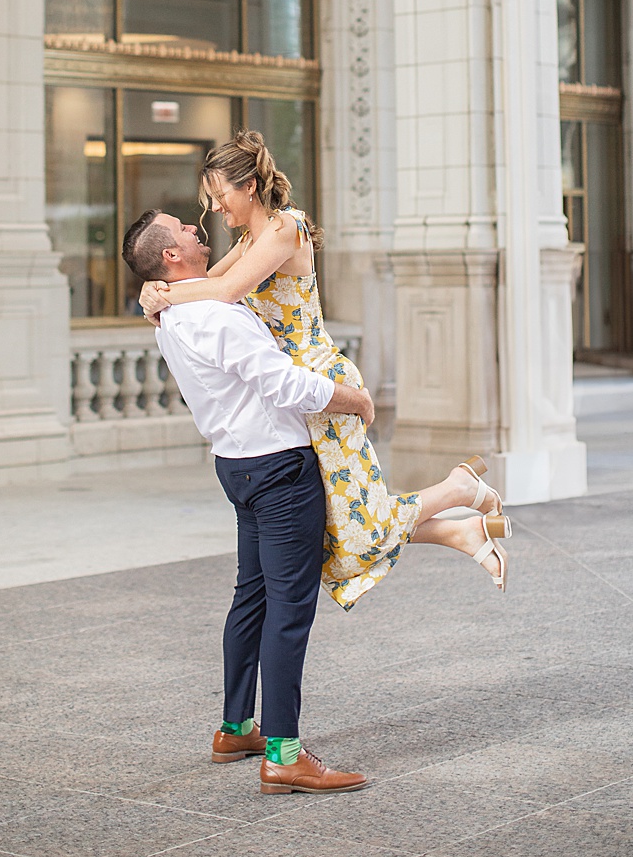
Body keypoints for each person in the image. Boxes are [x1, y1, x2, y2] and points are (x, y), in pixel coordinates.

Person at [137, 133, 511, 603]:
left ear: (249, 185)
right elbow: (206, 284)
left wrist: (159, 294)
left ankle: (457, 490)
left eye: (218, 194)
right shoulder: (252, 237)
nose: (213, 208)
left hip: (318, 381)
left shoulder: (284, 229)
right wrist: (155, 292)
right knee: (338, 530)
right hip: (294, 392)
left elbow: (226, 290)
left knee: (358, 529)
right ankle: (463, 530)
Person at [124, 207, 378, 794]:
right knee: (290, 609)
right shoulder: (212, 315)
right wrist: (354, 400)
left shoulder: (170, 313)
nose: (195, 226)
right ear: (170, 256)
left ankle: (237, 726)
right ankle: (285, 753)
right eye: (184, 228)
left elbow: (241, 260)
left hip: (235, 465)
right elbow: (284, 383)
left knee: (253, 595)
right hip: (279, 467)